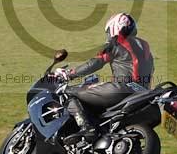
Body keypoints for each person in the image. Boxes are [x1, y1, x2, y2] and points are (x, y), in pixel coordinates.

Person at [53, 12, 154, 142]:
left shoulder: (116, 42)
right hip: (142, 93)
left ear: (115, 27)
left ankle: (87, 129)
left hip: (121, 88)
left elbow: (95, 63)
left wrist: (68, 74)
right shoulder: (146, 48)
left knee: (68, 93)